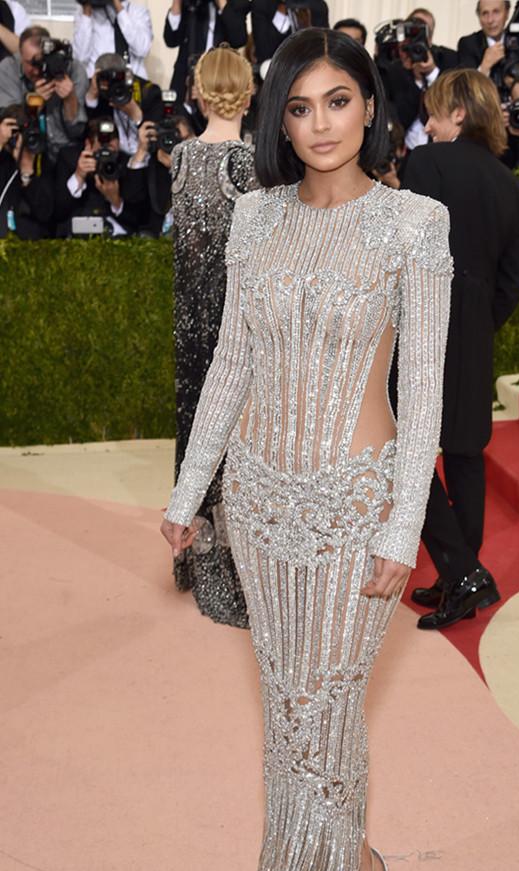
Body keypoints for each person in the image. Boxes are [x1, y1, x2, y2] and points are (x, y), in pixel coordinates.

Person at [160, 26, 451, 871]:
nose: (320, 123)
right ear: (278, 121)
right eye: (298, 106)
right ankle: (355, 868)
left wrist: (401, 529)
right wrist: (189, 494)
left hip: (355, 507)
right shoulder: (255, 219)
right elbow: (229, 365)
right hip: (259, 504)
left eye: (337, 100)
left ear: (370, 106)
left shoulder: (414, 224)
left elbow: (424, 391)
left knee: (322, 710)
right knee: (292, 713)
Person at [403, 68, 519, 629]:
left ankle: (461, 571)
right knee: (465, 455)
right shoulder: (513, 187)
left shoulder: (426, 163)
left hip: (424, 326)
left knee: (403, 451)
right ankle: (463, 575)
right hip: (475, 333)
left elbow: (408, 251)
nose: (428, 125)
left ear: (458, 112)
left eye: (434, 113)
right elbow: (514, 281)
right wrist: (478, 322)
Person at [169, 44, 256, 625]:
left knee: (196, 427)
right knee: (232, 436)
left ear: (198, 93)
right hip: (233, 325)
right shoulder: (247, 164)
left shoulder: (179, 157)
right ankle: (228, 570)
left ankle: (192, 558)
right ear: (249, 94)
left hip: (187, 323)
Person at [0, 26, 88, 163]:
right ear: (20, 55)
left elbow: (77, 132)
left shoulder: (73, 69)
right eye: (31, 63)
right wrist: (34, 103)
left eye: (41, 62)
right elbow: (9, 127)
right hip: (26, 152)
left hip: (66, 153)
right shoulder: (8, 69)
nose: (36, 70)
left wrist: (70, 99)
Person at [54, 116, 147, 235]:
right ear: (88, 144)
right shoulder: (70, 159)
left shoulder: (126, 165)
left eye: (112, 138)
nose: (107, 145)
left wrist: (115, 201)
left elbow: (139, 220)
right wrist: (79, 176)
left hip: (117, 236)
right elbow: (58, 214)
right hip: (77, 233)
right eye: (102, 141)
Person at [385, 7, 458, 150]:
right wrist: (417, 79)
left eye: (423, 30)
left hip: (443, 148)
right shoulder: (395, 69)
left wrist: (431, 73)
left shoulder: (449, 59)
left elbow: (453, 104)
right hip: (408, 150)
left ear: (430, 38)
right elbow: (400, 117)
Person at [163, 0, 249, 102]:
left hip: (220, 81)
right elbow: (171, 40)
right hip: (185, 80)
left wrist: (221, 4)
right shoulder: (189, 4)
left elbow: (238, 39)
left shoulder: (236, 3)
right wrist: (177, 3)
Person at [0, 101, 54, 237]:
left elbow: (45, 213)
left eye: (21, 131)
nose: (16, 136)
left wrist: (27, 170)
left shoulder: (39, 160)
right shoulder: (3, 159)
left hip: (27, 241)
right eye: (12, 128)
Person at [458, 0, 519, 88]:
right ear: (479, 17)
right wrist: (484, 67)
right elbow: (465, 89)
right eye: (485, 13)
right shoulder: (468, 44)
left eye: (496, 12)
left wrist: (517, 83)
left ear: (507, 13)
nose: (490, 20)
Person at [72, 0, 153, 79]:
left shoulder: (137, 12)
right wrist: (86, 11)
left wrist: (119, 9)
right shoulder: (83, 13)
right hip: (98, 82)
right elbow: (80, 58)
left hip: (132, 81)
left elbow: (142, 49)